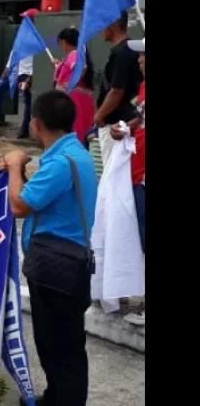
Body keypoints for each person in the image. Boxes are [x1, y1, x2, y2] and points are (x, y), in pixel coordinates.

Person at [2, 90, 97, 406]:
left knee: (61, 348)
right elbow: (41, 197)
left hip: (57, 270)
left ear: (36, 123)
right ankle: (55, 396)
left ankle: (64, 399)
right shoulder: (72, 153)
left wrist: (15, 165)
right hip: (67, 266)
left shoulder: (61, 163)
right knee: (57, 344)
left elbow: (19, 205)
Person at [110, 37, 145, 326]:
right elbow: (141, 120)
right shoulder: (144, 87)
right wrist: (124, 128)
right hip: (136, 171)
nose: (139, 60)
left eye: (143, 55)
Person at [94, 11, 142, 167]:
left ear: (112, 25)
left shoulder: (120, 53)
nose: (100, 29)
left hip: (116, 124)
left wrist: (99, 116)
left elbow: (116, 90)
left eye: (103, 24)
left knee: (112, 171)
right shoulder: (129, 50)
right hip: (129, 121)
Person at [53, 28, 97, 144]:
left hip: (74, 100)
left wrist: (71, 83)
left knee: (75, 131)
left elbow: (82, 67)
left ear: (63, 42)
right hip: (81, 99)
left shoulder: (73, 54)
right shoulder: (79, 54)